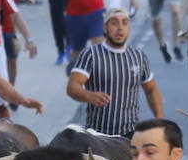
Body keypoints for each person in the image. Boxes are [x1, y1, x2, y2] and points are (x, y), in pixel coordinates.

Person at [67, 9, 163, 138]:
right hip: (98, 135)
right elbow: (72, 87)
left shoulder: (138, 56)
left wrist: (160, 119)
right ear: (105, 27)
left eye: (124, 23)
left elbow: (151, 89)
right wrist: (88, 95)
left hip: (129, 134)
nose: (120, 28)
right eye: (114, 23)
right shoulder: (90, 54)